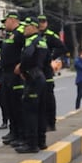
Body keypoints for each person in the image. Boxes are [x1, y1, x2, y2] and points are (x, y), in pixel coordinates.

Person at [13, 16, 49, 153]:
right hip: (41, 77)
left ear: (33, 28)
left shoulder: (31, 41)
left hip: (33, 79)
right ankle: (41, 141)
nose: (23, 30)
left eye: (26, 27)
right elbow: (47, 61)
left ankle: (31, 144)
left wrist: (21, 68)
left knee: (30, 113)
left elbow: (27, 56)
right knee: (40, 112)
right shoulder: (43, 42)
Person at [0, 11, 26, 147]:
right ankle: (13, 132)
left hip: (15, 74)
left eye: (5, 21)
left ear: (12, 20)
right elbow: (10, 49)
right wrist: (0, 44)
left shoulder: (21, 32)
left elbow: (26, 49)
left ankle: (20, 134)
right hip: (6, 74)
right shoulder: (11, 34)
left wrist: (22, 65)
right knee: (9, 105)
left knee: (17, 105)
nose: (4, 24)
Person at [37, 14, 67, 132]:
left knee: (48, 98)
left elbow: (62, 47)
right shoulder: (34, 35)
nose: (41, 24)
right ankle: (42, 123)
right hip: (36, 70)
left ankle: (51, 123)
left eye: (43, 22)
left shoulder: (50, 36)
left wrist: (51, 57)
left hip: (47, 71)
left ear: (47, 23)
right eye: (40, 22)